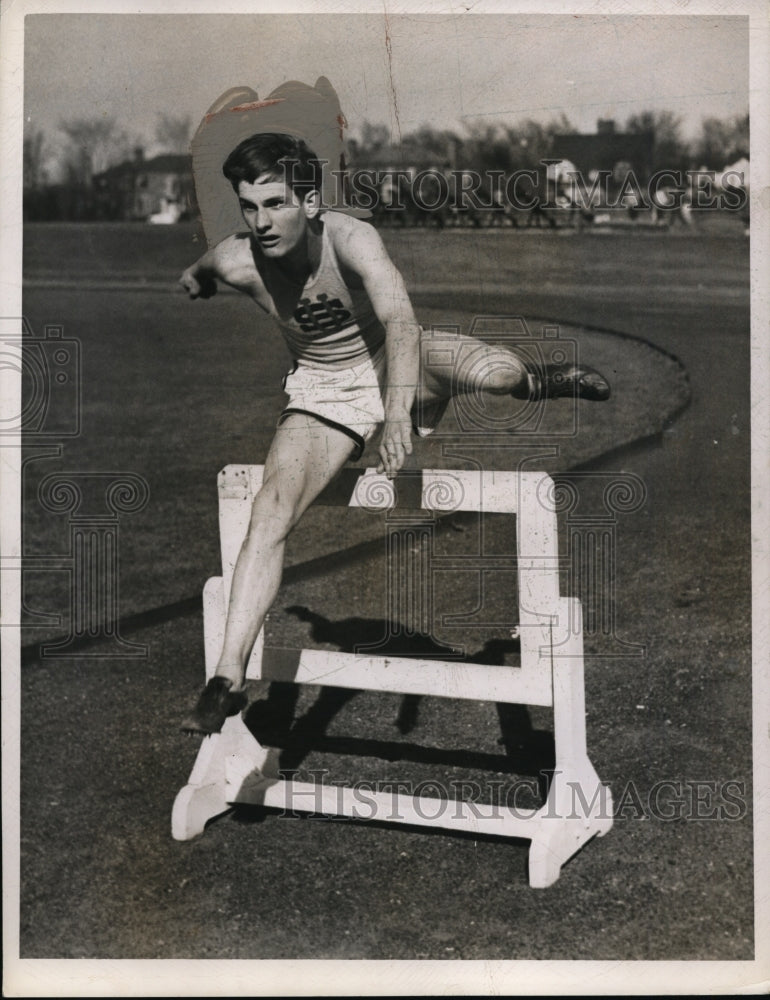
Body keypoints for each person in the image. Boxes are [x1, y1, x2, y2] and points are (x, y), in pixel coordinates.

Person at [179, 132, 611, 735]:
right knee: (271, 509)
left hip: (395, 359)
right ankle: (226, 679)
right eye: (249, 207)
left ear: (308, 200)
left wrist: (399, 411)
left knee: (495, 371)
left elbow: (401, 321)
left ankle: (539, 380)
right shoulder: (236, 258)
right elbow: (203, 266)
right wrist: (196, 279)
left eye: (275, 203)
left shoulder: (352, 238)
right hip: (324, 390)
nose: (262, 221)